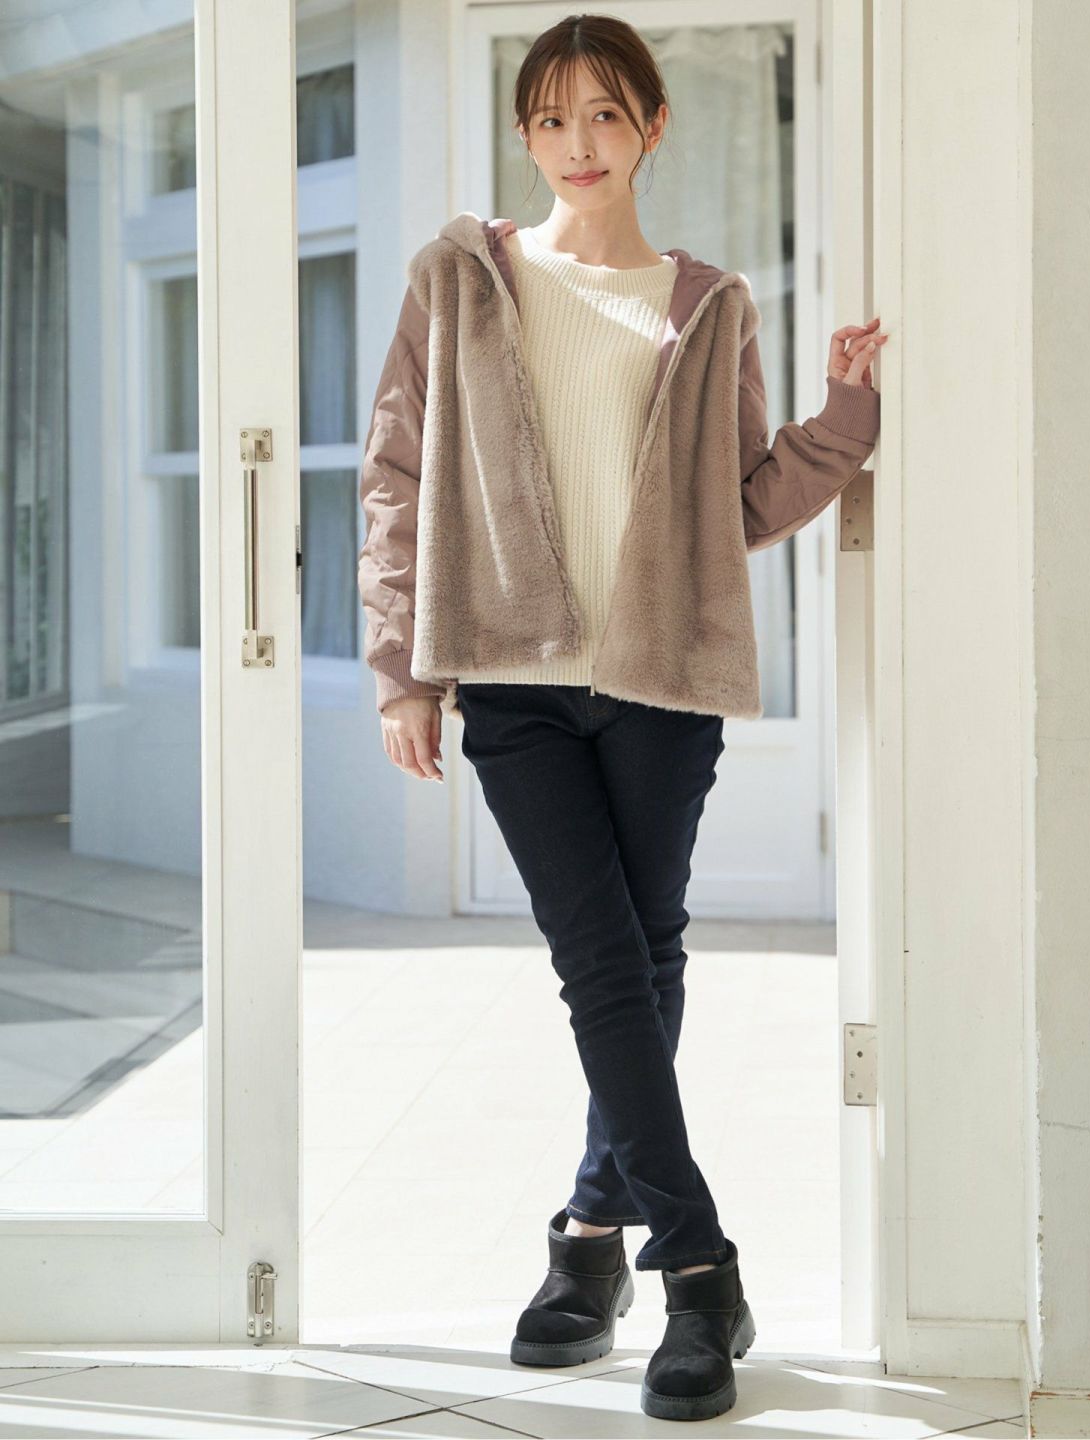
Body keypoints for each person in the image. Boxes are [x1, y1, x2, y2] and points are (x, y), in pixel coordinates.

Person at [356, 13, 886, 1424]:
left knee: (642, 956)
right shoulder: (461, 278)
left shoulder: (711, 305)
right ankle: (698, 1267)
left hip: (661, 680)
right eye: (549, 118)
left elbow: (740, 503)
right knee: (601, 960)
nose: (576, 144)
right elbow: (397, 473)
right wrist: (402, 669)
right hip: (512, 677)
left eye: (603, 115)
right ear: (523, 135)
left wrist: (843, 422)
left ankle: (590, 1239)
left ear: (653, 126)